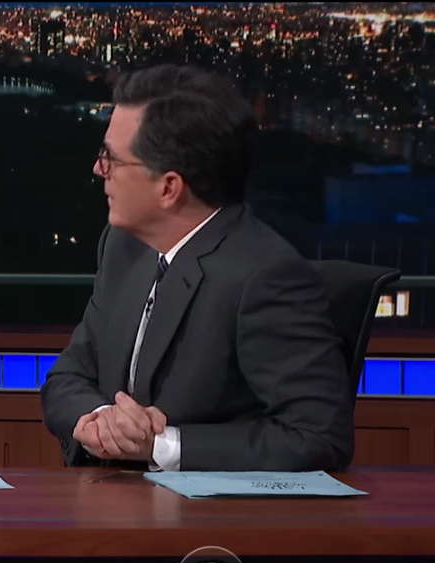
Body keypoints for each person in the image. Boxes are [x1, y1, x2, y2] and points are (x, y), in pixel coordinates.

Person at [40, 64, 354, 472]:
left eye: (112, 158)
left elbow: (318, 438)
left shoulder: (266, 278)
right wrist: (101, 421)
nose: (99, 169)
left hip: (205, 511)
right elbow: (67, 378)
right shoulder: (124, 246)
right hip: (111, 500)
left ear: (169, 187)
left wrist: (160, 445)